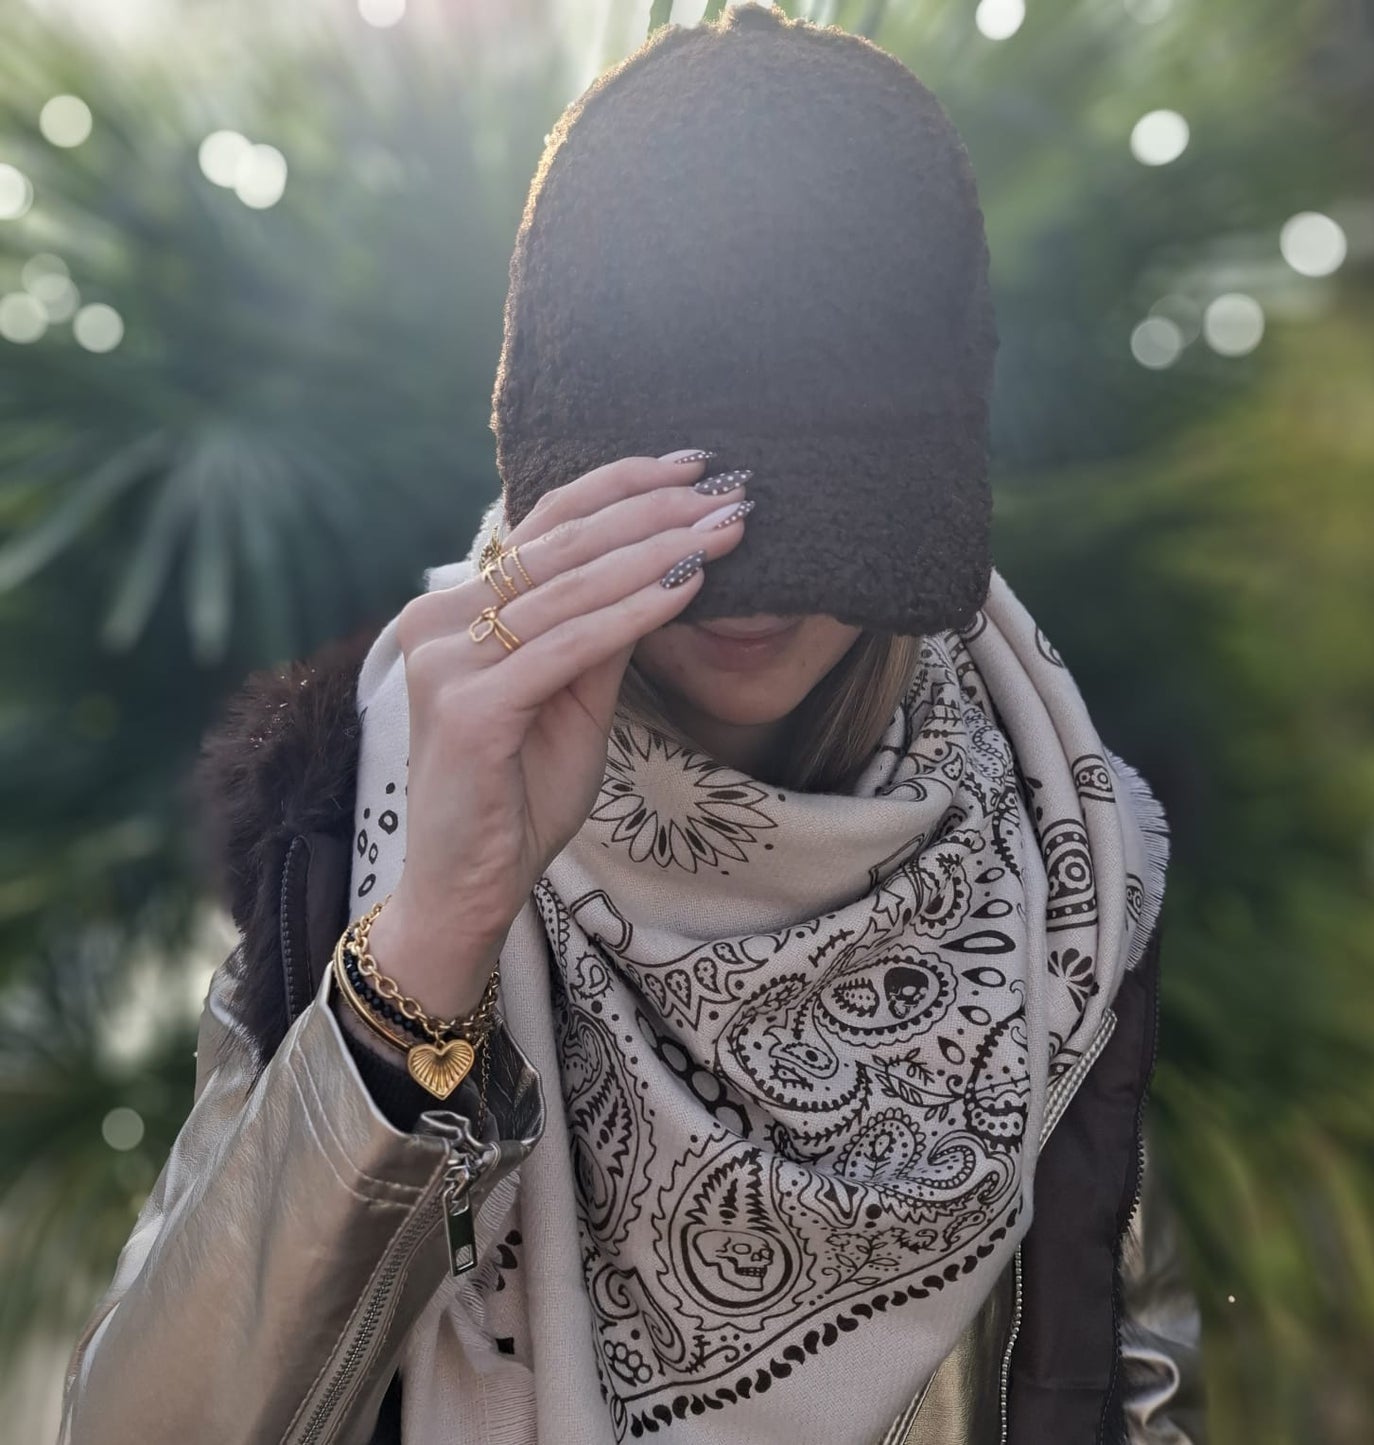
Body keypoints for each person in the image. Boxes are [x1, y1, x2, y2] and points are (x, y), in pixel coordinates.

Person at [58, 6, 1205, 1443]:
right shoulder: (375, 810)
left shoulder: (1060, 860)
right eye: (666, 506)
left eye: (812, 507)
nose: (738, 585)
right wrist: (426, 952)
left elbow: (1122, 1377)